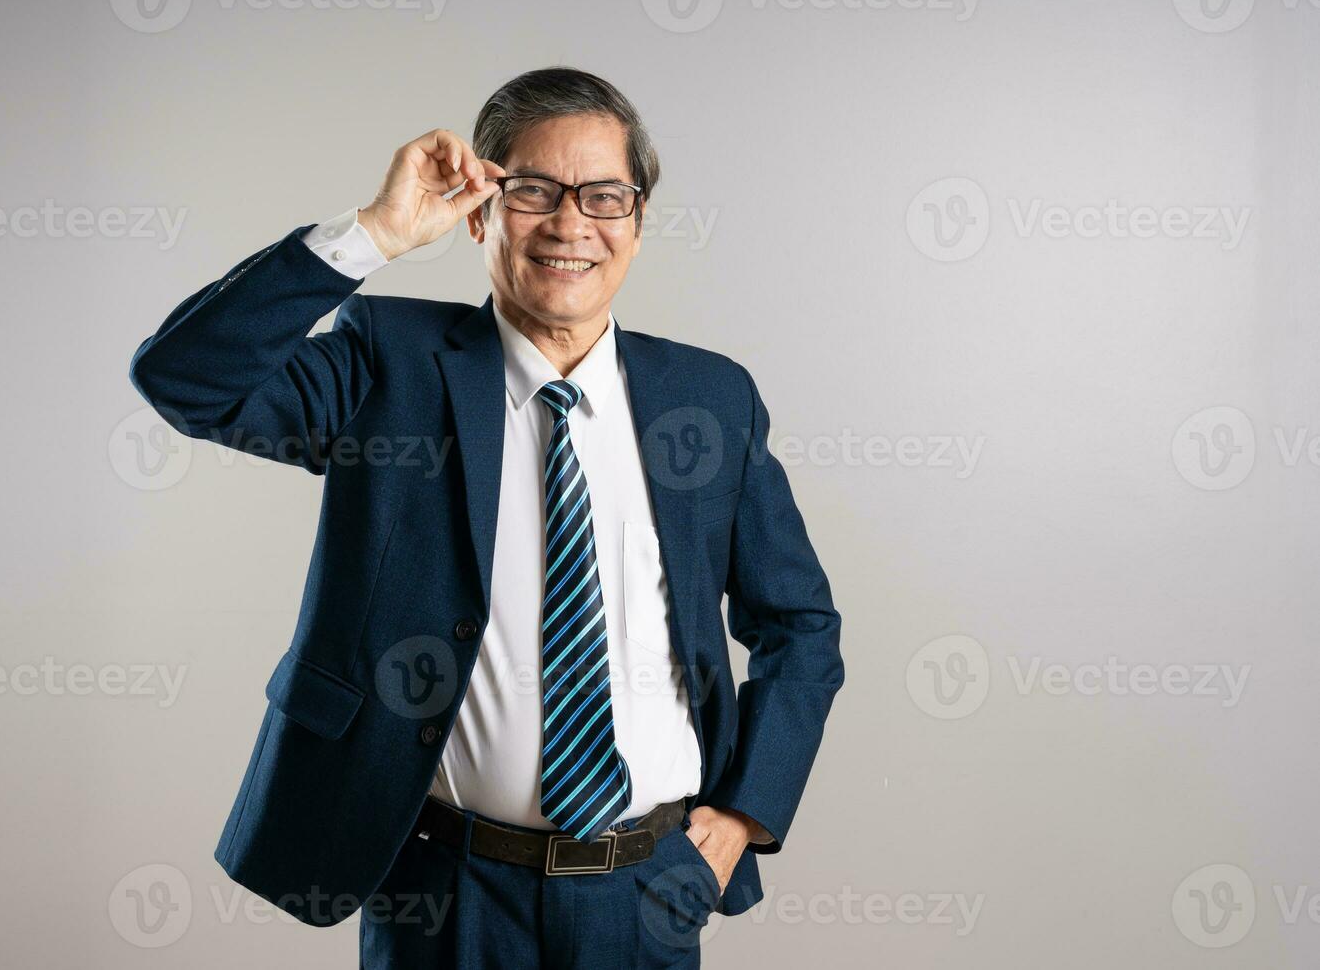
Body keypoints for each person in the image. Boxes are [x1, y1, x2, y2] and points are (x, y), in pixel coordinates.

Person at [129, 66, 843, 969]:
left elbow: (802, 625)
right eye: (534, 190)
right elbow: (185, 380)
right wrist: (375, 233)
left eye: (605, 196)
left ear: (638, 219)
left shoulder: (708, 397)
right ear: (480, 211)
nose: (570, 224)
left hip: (650, 889)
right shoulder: (387, 365)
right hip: (445, 892)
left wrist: (746, 813)